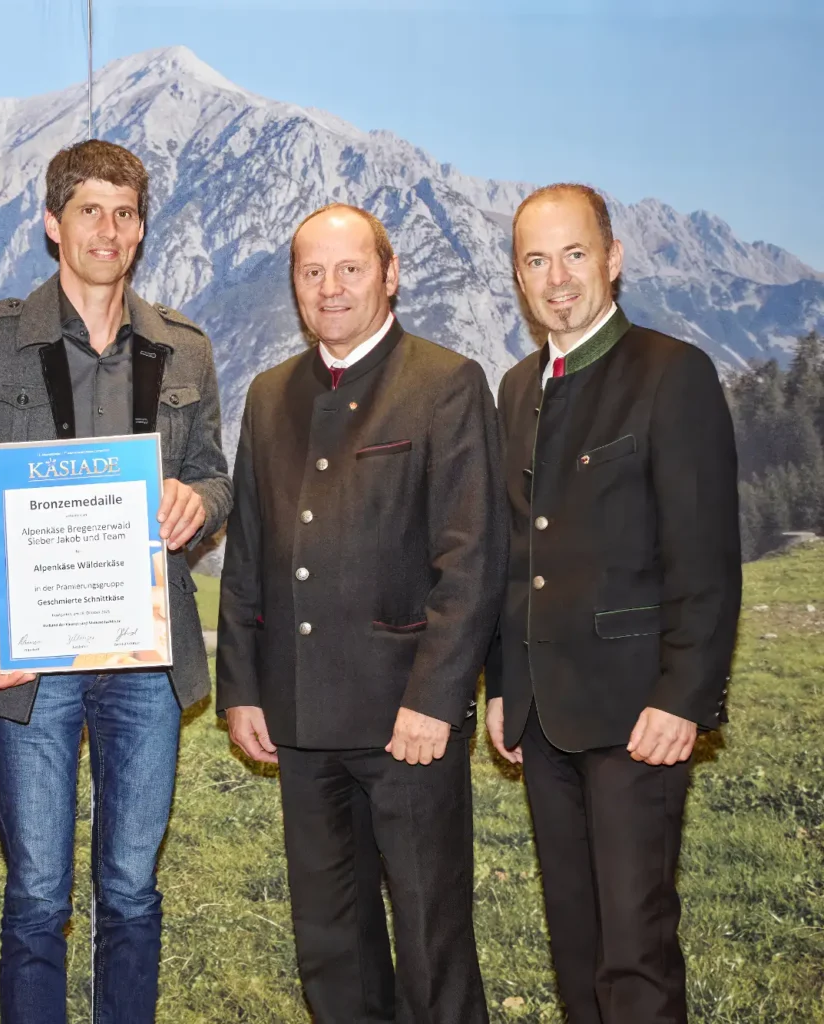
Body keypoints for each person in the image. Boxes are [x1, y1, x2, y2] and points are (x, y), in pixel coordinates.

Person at [0, 139, 231, 1024]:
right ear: (52, 224)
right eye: (90, 210)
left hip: (145, 655)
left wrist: (194, 504)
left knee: (132, 886)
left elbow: (217, 474)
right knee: (38, 894)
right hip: (32, 655)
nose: (109, 229)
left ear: (141, 231)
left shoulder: (185, 351)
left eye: (126, 213)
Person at [217, 203, 503, 1023]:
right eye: (312, 272)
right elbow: (251, 560)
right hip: (299, 716)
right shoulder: (270, 395)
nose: (331, 287)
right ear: (296, 287)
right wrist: (242, 687)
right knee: (330, 944)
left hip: (404, 721)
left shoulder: (445, 383)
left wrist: (434, 700)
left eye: (350, 269)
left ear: (391, 273)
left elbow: (472, 561)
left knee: (430, 938)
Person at [485, 184, 741, 1024]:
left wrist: (684, 698)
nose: (557, 278)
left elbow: (704, 558)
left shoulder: (674, 373)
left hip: (640, 717)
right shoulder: (518, 388)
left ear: (613, 260)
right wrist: (501, 686)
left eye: (574, 254)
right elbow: (516, 555)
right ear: (519, 280)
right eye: (536, 260)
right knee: (576, 946)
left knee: (635, 954)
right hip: (543, 718)